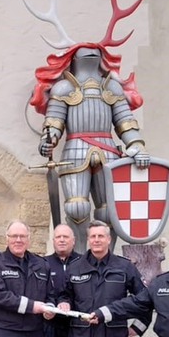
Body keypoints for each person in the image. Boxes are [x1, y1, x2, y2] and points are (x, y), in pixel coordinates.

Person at [33, 45, 150, 252]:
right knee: (77, 207)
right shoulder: (63, 88)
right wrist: (48, 140)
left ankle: (108, 256)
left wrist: (137, 146)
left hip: (108, 151)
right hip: (75, 150)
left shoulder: (111, 88)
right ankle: (78, 258)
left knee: (109, 212)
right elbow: (54, 123)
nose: (91, 55)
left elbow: (125, 122)